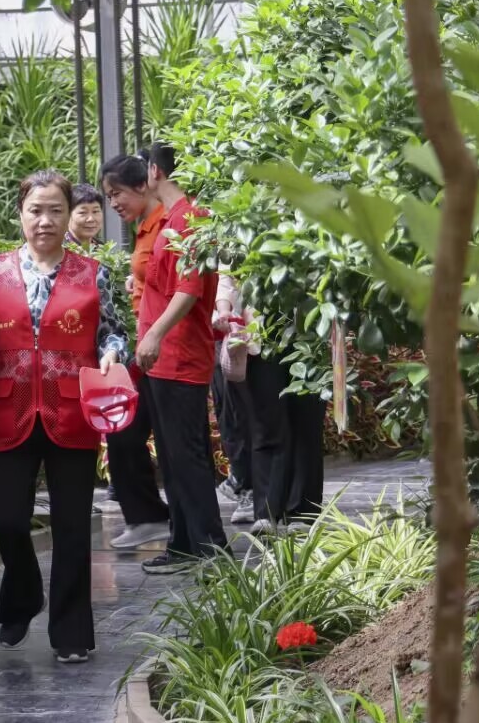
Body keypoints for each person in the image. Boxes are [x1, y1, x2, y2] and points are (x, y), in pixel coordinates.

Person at [0, 171, 127, 664]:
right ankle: (23, 596)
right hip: (8, 406)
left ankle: (72, 632)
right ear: (20, 214)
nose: (45, 220)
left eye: (55, 211)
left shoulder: (93, 272)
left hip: (71, 407)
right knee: (8, 520)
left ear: (69, 215)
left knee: (72, 525)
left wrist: (112, 354)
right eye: (36, 210)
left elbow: (113, 332)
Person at [113, 146, 226, 572]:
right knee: (174, 456)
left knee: (187, 454)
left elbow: (190, 288)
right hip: (162, 358)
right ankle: (184, 544)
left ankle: (211, 548)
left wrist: (156, 332)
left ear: (155, 171)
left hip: (178, 355)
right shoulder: (171, 220)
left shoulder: (190, 219)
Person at [98, 155, 174, 550]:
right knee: (123, 429)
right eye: (108, 196)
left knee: (155, 436)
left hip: (163, 351)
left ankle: (168, 520)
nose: (113, 204)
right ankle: (147, 516)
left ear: (143, 185)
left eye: (117, 194)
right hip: (147, 349)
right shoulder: (144, 229)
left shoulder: (166, 224)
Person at [219, 284, 325, 533]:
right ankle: (266, 511)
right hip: (261, 328)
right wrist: (224, 308)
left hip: (311, 320)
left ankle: (302, 512)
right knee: (265, 419)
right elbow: (228, 268)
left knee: (306, 417)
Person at [211, 277, 256, 526]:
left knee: (244, 413)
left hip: (250, 332)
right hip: (220, 333)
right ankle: (243, 485)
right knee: (228, 415)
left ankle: (249, 487)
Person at [68, 183, 107, 247]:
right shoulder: (58, 249)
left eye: (95, 211)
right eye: (83, 212)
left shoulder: (102, 250)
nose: (91, 219)